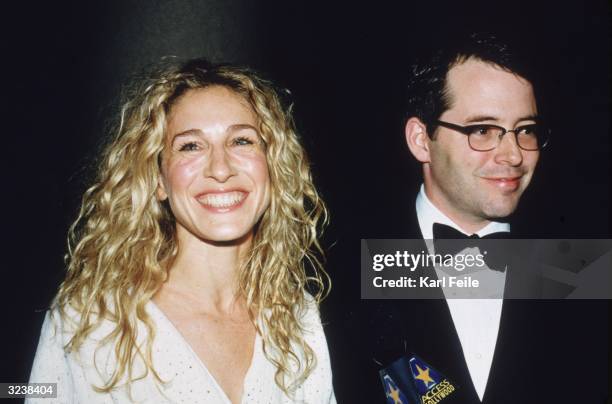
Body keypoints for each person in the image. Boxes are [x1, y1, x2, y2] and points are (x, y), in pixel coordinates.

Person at [27, 58, 336, 403]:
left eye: (242, 141)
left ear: (273, 166)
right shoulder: (88, 320)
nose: (220, 169)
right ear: (158, 180)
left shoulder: (299, 317)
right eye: (191, 146)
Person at [333, 33, 609, 403]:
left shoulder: (582, 266)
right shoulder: (341, 269)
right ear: (420, 139)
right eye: (482, 130)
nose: (513, 154)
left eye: (525, 130)